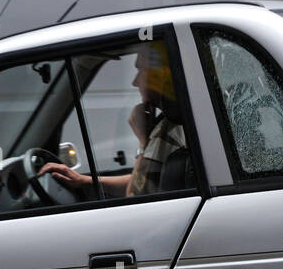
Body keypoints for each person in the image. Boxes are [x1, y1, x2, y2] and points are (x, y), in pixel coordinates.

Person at [37, 41, 187, 197]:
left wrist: (143, 143)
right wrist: (83, 181)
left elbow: (135, 196)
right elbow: (143, 180)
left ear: (161, 75)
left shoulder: (167, 132)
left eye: (141, 70)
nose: (134, 82)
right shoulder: (178, 123)